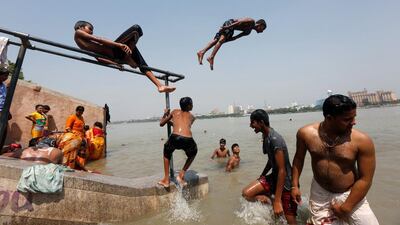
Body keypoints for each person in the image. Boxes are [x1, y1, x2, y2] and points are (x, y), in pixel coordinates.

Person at [291, 94, 379, 225]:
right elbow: (298, 159)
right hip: (320, 192)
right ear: (329, 118)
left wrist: (346, 207)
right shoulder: (306, 134)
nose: (354, 122)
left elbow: (366, 179)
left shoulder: (362, 141)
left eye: (354, 117)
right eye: (347, 119)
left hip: (350, 193)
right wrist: (294, 185)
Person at [74, 21, 175, 93]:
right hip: (116, 51)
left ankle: (159, 85)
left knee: (138, 58)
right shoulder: (78, 33)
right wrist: (119, 45)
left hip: (116, 56)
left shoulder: (87, 45)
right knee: (136, 29)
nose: (91, 32)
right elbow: (99, 39)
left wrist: (116, 64)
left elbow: (99, 59)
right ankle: (127, 57)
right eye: (90, 29)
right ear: (81, 27)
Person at [242, 109, 297, 224]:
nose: (251, 126)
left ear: (261, 122)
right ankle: (269, 200)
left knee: (291, 221)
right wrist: (262, 175)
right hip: (274, 177)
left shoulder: (275, 139)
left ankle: (276, 201)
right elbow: (271, 160)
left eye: (252, 122)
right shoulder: (265, 137)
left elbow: (282, 170)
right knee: (246, 193)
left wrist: (278, 201)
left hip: (286, 182)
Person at [197, 18, 266, 70]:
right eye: (263, 28)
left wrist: (225, 41)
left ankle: (202, 51)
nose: (262, 31)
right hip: (230, 24)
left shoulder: (248, 32)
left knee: (216, 41)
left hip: (231, 29)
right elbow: (239, 21)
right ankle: (211, 57)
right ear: (260, 25)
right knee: (220, 40)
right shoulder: (251, 21)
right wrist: (227, 27)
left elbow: (235, 37)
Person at [158, 97, 197, 187]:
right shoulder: (192, 117)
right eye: (192, 104)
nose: (193, 105)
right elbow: (185, 126)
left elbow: (162, 123)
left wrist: (165, 114)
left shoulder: (174, 112)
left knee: (167, 153)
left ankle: (166, 179)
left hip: (175, 137)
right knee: (193, 153)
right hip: (188, 139)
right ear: (188, 106)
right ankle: (181, 175)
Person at [0, 67, 12, 149]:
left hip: (2, 111)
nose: (5, 78)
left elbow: (4, 99)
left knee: (3, 131)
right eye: (4, 76)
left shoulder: (3, 86)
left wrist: (7, 111)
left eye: (7, 76)